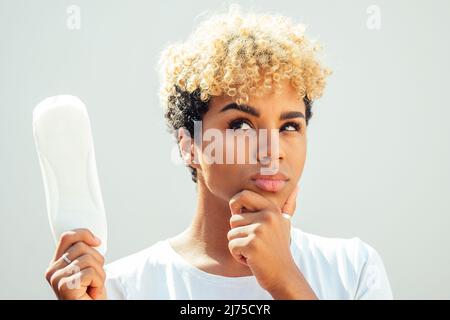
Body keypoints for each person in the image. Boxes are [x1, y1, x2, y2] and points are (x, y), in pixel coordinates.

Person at [44, 5, 393, 300]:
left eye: (289, 126)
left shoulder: (354, 269)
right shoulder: (119, 288)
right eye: (241, 125)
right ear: (189, 145)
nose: (272, 152)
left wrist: (286, 280)